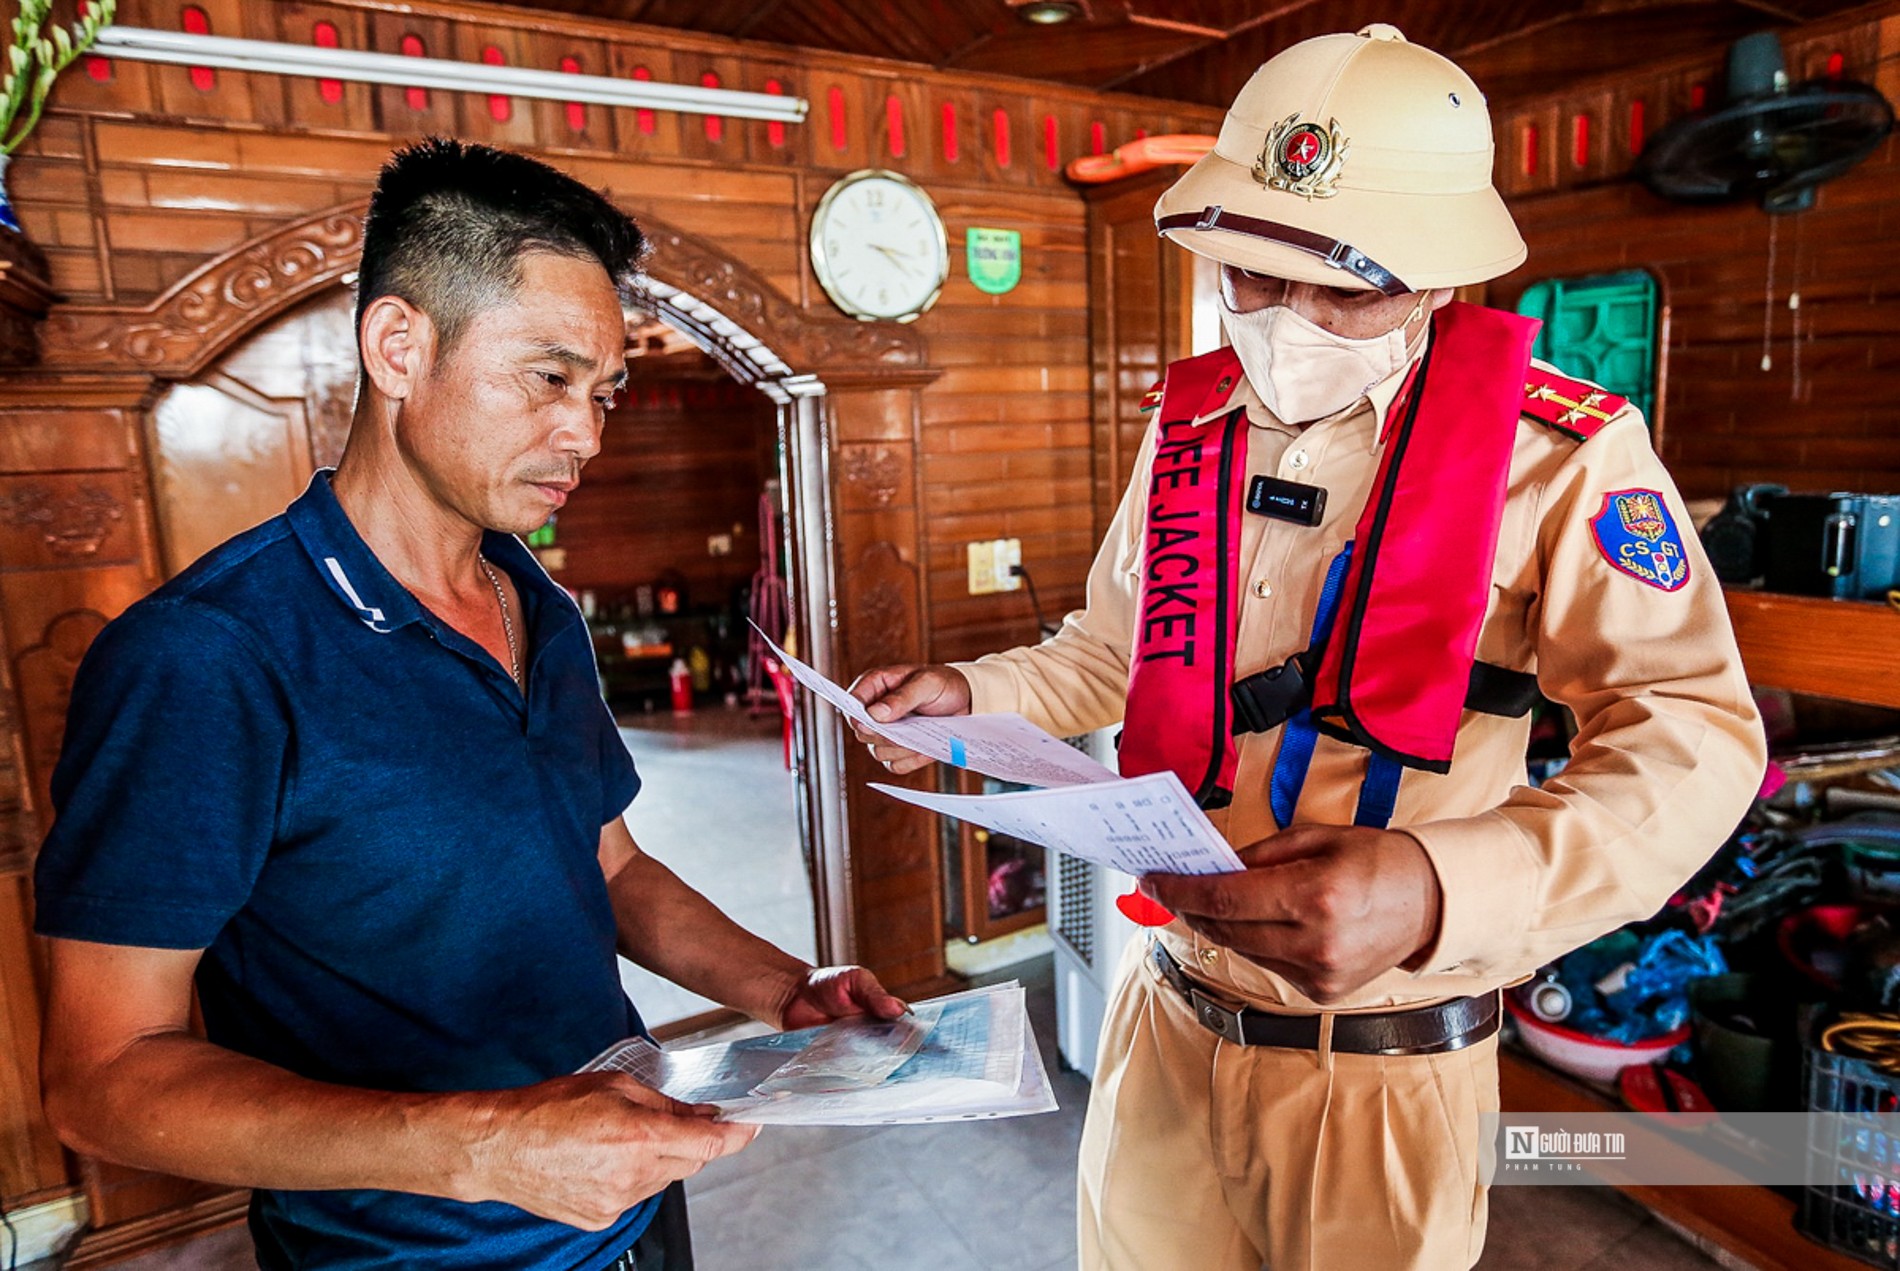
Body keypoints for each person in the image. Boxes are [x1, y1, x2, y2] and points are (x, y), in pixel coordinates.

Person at [850, 25, 1765, 1271]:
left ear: (1438, 279)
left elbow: (1692, 736)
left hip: (1386, 1068)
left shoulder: (1562, 455)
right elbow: (1107, 655)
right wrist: (967, 691)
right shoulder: (1192, 430)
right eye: (1251, 277)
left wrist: (1441, 884)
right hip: (1165, 1008)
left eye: (1348, 282)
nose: (1289, 319)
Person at [35, 138, 906, 1271]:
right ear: (400, 345)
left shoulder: (532, 600)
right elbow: (103, 1077)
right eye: (547, 378)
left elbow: (614, 868)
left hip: (630, 1208)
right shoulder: (206, 658)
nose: (586, 433)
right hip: (414, 1253)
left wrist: (786, 991)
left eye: (601, 392)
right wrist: (492, 1147)